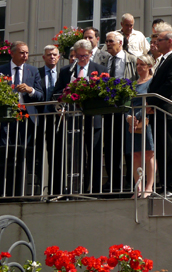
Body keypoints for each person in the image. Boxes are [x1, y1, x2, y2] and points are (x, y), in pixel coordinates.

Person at [53, 39, 109, 194]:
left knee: (94, 154)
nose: (82, 59)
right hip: (72, 120)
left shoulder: (100, 69)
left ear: (91, 54)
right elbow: (56, 93)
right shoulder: (67, 71)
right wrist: (61, 103)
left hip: (93, 119)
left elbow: (106, 94)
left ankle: (95, 189)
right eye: (79, 56)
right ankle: (74, 188)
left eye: (85, 56)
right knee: (74, 155)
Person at [0, 41, 43, 198]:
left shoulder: (33, 71)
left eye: (27, 53)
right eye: (22, 53)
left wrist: (30, 90)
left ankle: (21, 190)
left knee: (23, 153)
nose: (25, 56)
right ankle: (2, 191)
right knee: (4, 152)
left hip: (26, 117)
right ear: (12, 53)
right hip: (6, 117)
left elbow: (41, 96)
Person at [147, 29, 172, 197]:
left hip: (168, 110)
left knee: (170, 151)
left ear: (169, 41)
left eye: (160, 40)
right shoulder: (162, 60)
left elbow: (170, 84)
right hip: (158, 111)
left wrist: (151, 101)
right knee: (161, 151)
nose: (156, 44)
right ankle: (164, 186)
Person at [102, 31, 139, 193]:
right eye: (106, 41)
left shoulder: (132, 60)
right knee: (111, 147)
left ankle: (131, 181)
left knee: (129, 146)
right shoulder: (106, 61)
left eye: (110, 41)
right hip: (110, 110)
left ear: (120, 43)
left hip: (127, 109)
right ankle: (113, 181)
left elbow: (139, 80)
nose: (108, 44)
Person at [126, 54, 156, 197]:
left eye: (142, 64)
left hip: (147, 121)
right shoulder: (133, 84)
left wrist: (138, 117)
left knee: (149, 153)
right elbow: (126, 104)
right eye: (137, 64)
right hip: (133, 123)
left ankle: (149, 187)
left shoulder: (152, 82)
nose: (138, 67)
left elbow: (150, 102)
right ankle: (138, 188)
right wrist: (129, 117)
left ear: (149, 66)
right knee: (135, 154)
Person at [37, 45, 63, 195]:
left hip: (57, 118)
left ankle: (56, 189)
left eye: (54, 55)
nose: (52, 57)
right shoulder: (37, 73)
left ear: (58, 57)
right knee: (39, 153)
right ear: (44, 57)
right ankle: (39, 186)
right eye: (49, 55)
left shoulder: (63, 73)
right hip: (40, 117)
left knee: (57, 153)